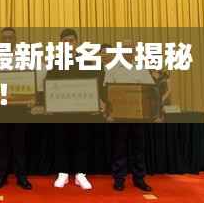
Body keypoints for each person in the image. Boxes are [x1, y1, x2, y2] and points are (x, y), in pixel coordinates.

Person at [48, 29, 103, 190]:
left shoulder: (86, 60)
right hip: (61, 111)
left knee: (82, 141)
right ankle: (63, 173)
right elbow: (49, 83)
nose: (68, 43)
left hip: (82, 110)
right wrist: (49, 104)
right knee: (61, 141)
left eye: (71, 40)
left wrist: (96, 102)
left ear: (76, 42)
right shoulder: (56, 62)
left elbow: (95, 81)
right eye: (65, 41)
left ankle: (80, 174)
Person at [103, 41, 155, 192]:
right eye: (125, 48)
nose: (129, 51)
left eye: (131, 49)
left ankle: (139, 179)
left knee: (139, 148)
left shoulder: (141, 68)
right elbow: (107, 92)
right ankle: (119, 179)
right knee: (119, 148)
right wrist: (109, 112)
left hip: (138, 115)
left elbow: (149, 89)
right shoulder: (112, 68)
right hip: (119, 116)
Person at [0, 27, 33, 190]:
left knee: (19, 143)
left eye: (10, 38)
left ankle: (21, 176)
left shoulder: (24, 57)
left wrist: (31, 97)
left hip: (20, 107)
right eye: (5, 38)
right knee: (2, 143)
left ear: (15, 40)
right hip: (1, 107)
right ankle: (2, 176)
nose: (8, 40)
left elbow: (29, 78)